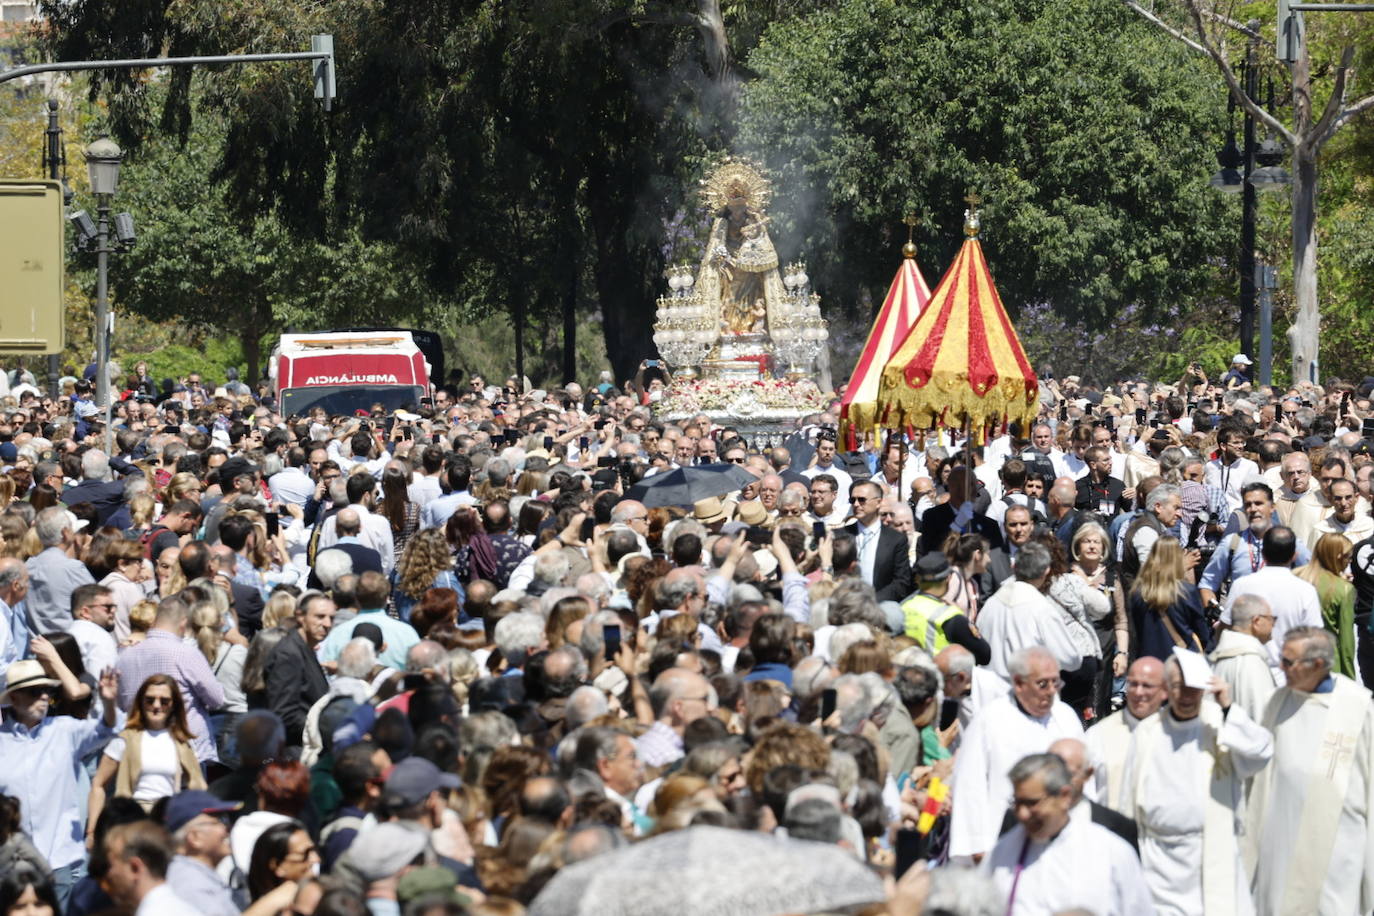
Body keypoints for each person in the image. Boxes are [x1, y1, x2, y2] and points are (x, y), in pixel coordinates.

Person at [1122, 653, 1273, 915]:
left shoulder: (1219, 723)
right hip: (1159, 862)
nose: (1188, 694)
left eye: (1195, 687)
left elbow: (1261, 752)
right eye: (1180, 686)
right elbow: (1128, 795)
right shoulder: (1147, 732)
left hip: (1212, 854)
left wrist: (1227, 707)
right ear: (1167, 689)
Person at [1245, 627, 1374, 914]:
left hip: (1338, 850)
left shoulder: (1358, 708)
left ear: (1318, 665)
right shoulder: (1276, 701)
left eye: (1289, 662)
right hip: (1280, 843)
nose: (1282, 668)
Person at [0, 659, 118, 910]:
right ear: (15, 698)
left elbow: (105, 731)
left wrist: (108, 702)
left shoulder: (64, 730)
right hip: (9, 863)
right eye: (35, 691)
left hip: (59, 858)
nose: (44, 697)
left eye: (47, 690)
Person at [948, 646, 1084, 861]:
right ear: (1019, 683)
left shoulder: (1066, 718)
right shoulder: (990, 719)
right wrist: (975, 844)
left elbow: (1084, 777)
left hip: (1062, 840)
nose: (1051, 691)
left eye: (1055, 682)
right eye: (1043, 684)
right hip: (1002, 839)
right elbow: (969, 785)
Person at [983, 753, 1152, 913]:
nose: (1022, 814)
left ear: (1064, 797)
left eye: (1031, 803)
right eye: (1017, 803)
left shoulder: (1111, 852)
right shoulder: (1002, 852)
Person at [88, 673, 207, 836]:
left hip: (168, 819)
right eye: (150, 700)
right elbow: (99, 784)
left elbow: (198, 787)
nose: (156, 706)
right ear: (141, 702)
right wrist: (92, 831)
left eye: (164, 701)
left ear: (173, 705)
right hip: (132, 820)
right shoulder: (124, 739)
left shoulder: (182, 742)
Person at [114, 596, 225, 764]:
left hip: (141, 750)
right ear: (183, 623)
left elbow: (122, 703)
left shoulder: (125, 656)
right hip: (186, 752)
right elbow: (216, 699)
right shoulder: (187, 654)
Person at [977, 542, 1081, 684]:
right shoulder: (1042, 609)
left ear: (1013, 567)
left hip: (988, 692)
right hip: (1024, 695)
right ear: (1046, 570)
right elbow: (1071, 659)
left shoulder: (990, 605)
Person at [1223, 526, 1323, 674]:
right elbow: (1314, 639)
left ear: (1263, 554)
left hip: (1246, 672)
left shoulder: (1241, 585)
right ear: (1294, 555)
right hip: (1290, 676)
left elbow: (1226, 628)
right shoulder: (1306, 591)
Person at [1086, 656, 1167, 813]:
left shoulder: (1174, 733)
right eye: (1133, 684)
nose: (1138, 692)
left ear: (1164, 690)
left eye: (1147, 686)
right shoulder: (1098, 735)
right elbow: (1086, 790)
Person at [264, 593, 334, 751]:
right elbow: (284, 714)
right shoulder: (288, 654)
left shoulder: (304, 648)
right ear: (300, 617)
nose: (327, 623)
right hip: (296, 751)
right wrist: (325, 728)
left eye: (331, 618)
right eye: (320, 616)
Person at [1128, 538, 1211, 661]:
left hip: (1147, 659)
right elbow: (1202, 632)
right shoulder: (1186, 591)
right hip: (1178, 661)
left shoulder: (1137, 592)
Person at [898, 552, 990, 662]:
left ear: (918, 579)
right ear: (948, 578)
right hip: (937, 676)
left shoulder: (902, 607)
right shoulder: (949, 616)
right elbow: (985, 654)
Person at [318, 570, 419, 670]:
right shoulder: (406, 633)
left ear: (356, 598)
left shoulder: (338, 633)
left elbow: (326, 669)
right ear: (387, 598)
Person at [163, 790, 241, 916]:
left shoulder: (193, 875)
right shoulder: (191, 883)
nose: (227, 828)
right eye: (218, 821)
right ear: (194, 837)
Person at [1209, 594, 1279, 723]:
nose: (1273, 625)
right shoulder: (1252, 662)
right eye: (1272, 619)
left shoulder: (1217, 658)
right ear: (1256, 621)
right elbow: (1262, 719)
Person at [24, 507, 94, 634]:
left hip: (34, 645)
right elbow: (96, 603)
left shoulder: (27, 566)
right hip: (66, 645)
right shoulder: (73, 568)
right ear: (65, 533)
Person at [101, 820, 195, 915]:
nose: (109, 874)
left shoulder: (153, 912)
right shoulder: (184, 908)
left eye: (111, 866)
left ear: (135, 868)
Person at [842, 480, 912, 602]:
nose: (856, 504)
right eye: (853, 500)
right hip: (844, 603)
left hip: (881, 604)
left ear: (878, 502)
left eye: (862, 500)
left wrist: (873, 601)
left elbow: (901, 581)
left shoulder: (896, 539)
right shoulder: (840, 536)